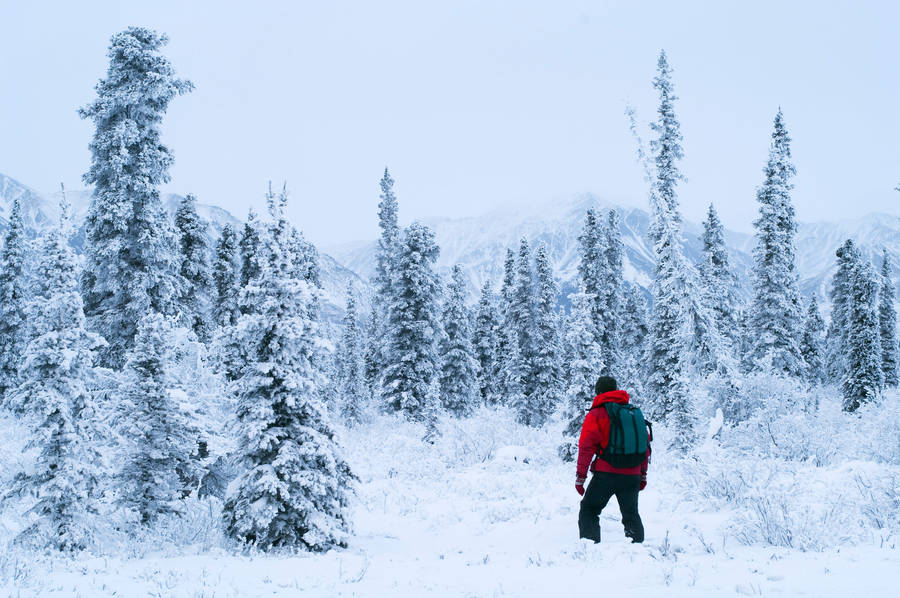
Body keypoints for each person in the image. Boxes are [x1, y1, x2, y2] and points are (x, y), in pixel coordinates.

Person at [575, 375, 649, 543]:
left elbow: (586, 447)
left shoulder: (597, 414)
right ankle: (637, 552)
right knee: (631, 514)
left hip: (607, 474)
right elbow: (644, 445)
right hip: (632, 474)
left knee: (589, 509)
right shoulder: (632, 413)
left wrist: (581, 477)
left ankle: (590, 548)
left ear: (598, 392)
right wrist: (642, 474)